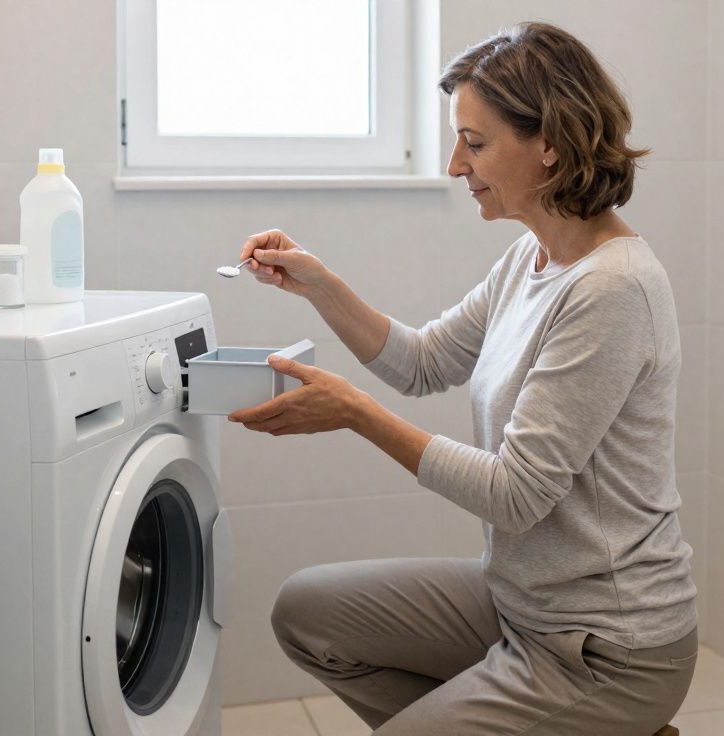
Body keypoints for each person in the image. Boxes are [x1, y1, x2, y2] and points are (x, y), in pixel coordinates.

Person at [227, 21, 697, 736]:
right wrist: (317, 284)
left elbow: (516, 495)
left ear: (550, 143)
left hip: (605, 649)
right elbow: (421, 363)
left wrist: (355, 412)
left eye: (474, 143)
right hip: (519, 604)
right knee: (306, 614)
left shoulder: (612, 289)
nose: (454, 165)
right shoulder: (531, 260)